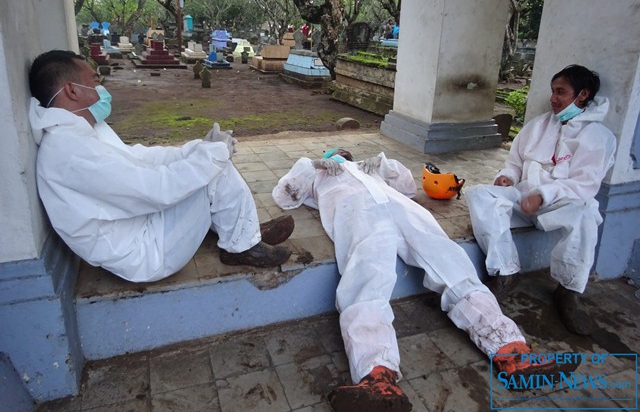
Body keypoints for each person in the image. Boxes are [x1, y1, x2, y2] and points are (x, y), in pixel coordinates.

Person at [272, 148, 577, 412]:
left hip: (403, 210)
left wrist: (381, 163)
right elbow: (284, 197)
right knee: (368, 274)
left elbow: (406, 187)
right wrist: (311, 165)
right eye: (335, 153)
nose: (343, 155)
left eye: (345, 153)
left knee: (451, 263)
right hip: (357, 213)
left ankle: (511, 351)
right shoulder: (321, 175)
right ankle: (376, 375)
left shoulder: (372, 170)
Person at [28, 50, 295, 283]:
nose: (101, 87)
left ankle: (243, 232)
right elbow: (156, 190)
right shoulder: (71, 152)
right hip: (142, 253)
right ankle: (242, 247)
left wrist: (195, 148)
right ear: (72, 90)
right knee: (215, 172)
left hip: (137, 225)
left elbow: (138, 157)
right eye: (94, 81)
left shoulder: (76, 133)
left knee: (205, 163)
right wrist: (211, 155)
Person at [465, 64, 616, 336]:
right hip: (523, 200)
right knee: (479, 194)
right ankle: (506, 272)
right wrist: (506, 177)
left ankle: (568, 292)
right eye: (552, 91)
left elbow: (584, 186)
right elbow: (514, 162)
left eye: (561, 92)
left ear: (582, 95)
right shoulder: (538, 126)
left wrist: (543, 195)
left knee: (586, 212)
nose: (553, 98)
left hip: (560, 206)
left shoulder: (598, 137)